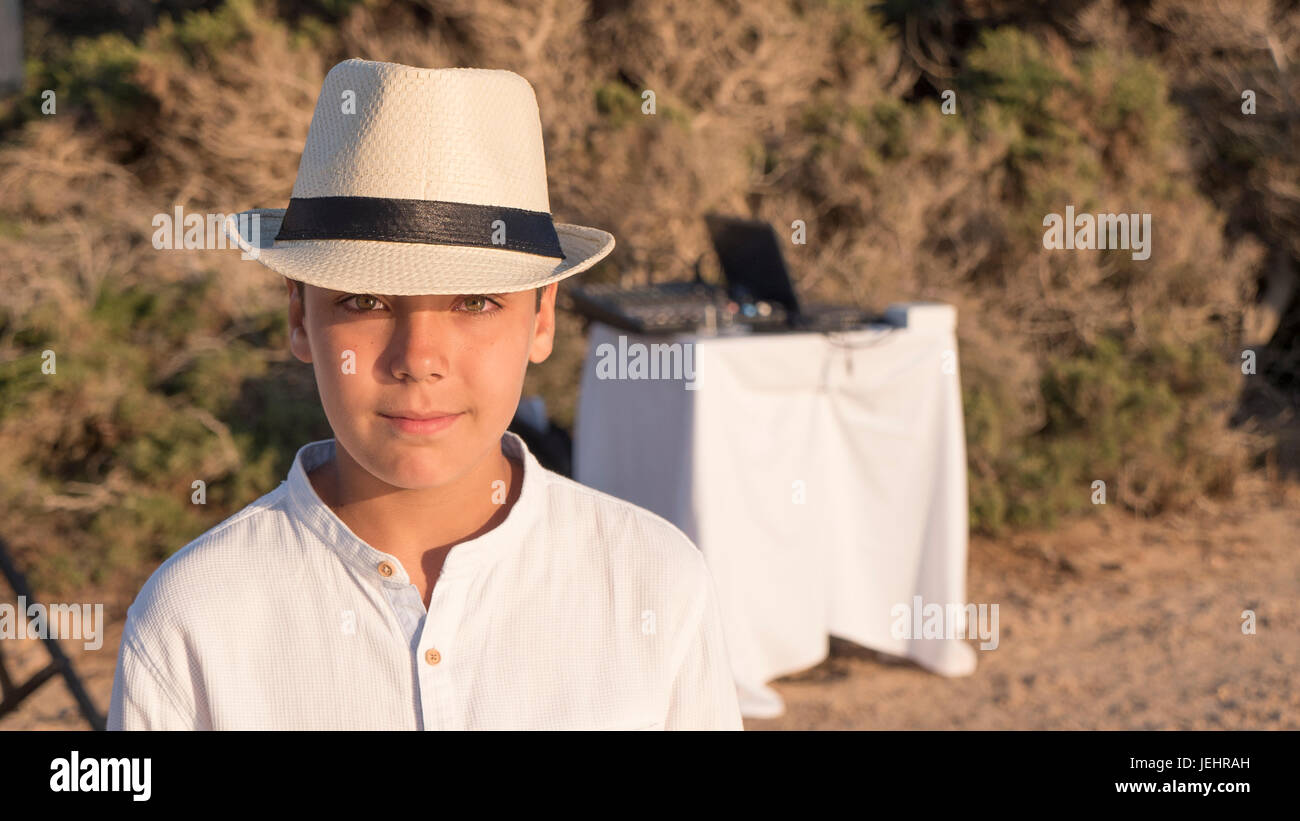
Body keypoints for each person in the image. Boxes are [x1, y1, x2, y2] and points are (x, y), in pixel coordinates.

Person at [107, 59, 743, 730]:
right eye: (366, 299)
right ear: (298, 314)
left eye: (474, 301)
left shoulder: (652, 582)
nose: (418, 359)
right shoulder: (193, 620)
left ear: (543, 316)